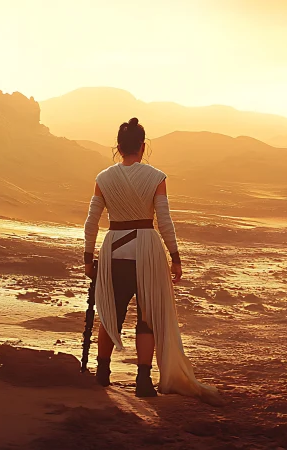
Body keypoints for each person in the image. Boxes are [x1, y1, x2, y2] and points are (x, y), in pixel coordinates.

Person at [83, 118, 222, 404]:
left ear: (118, 146)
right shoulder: (156, 177)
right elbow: (165, 220)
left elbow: (92, 221)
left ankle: (102, 373)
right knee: (146, 318)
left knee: (110, 313)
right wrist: (175, 256)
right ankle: (143, 380)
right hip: (147, 249)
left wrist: (88, 257)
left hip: (114, 250)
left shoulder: (103, 178)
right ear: (143, 146)